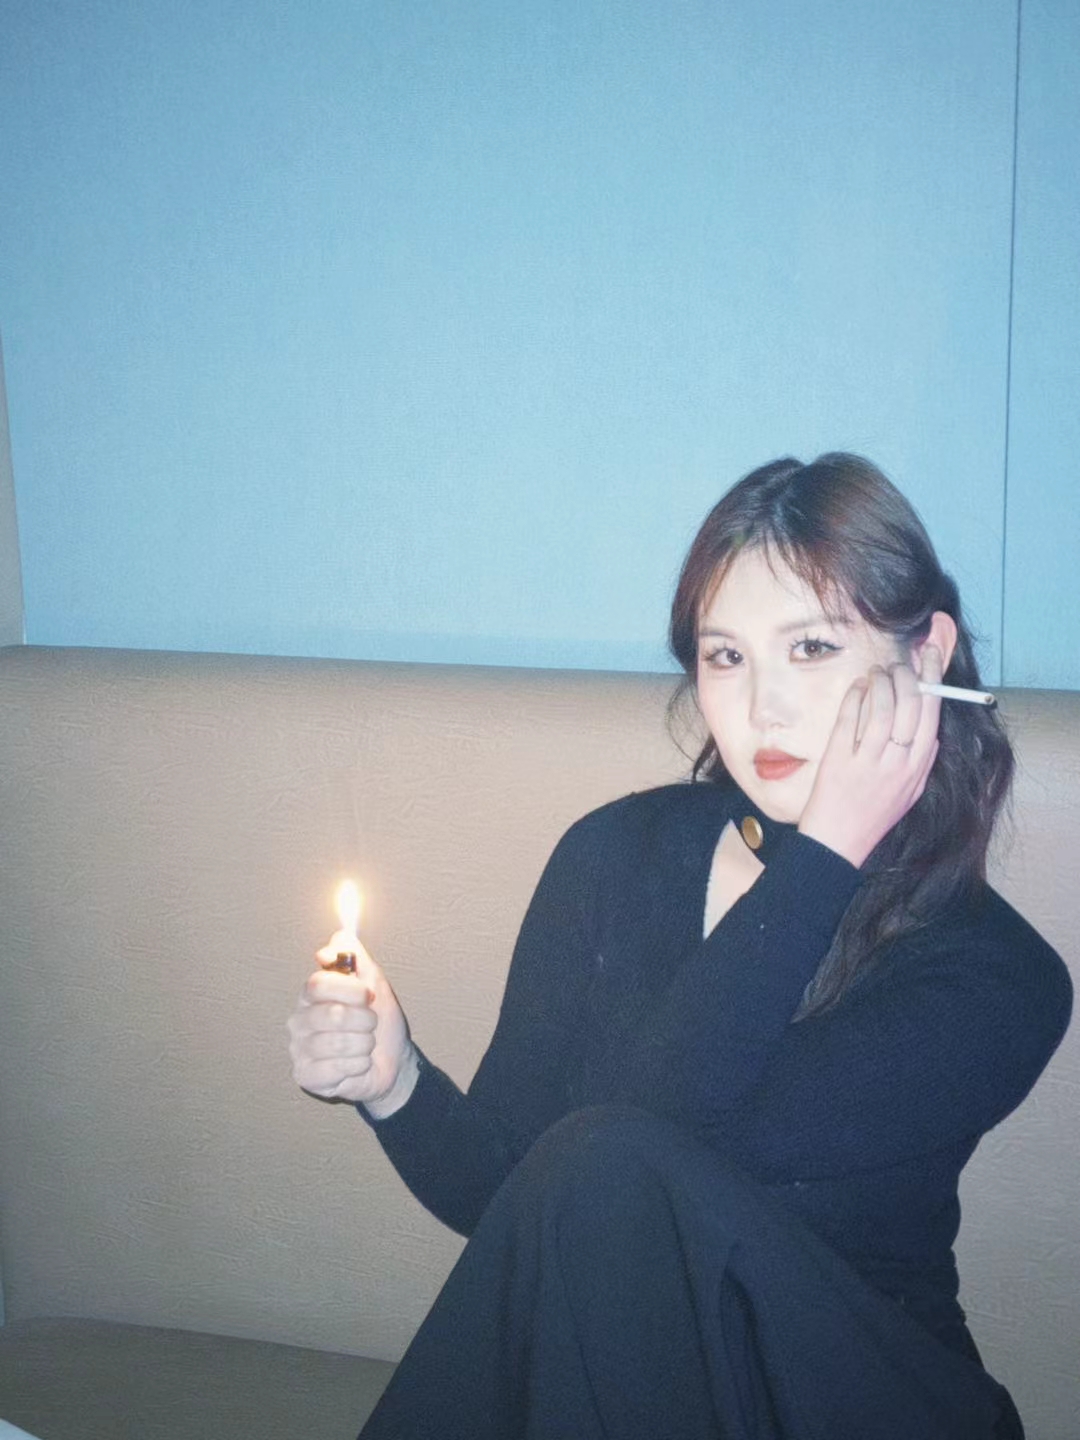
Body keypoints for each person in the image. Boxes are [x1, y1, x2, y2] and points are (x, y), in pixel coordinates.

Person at [288, 453, 1072, 1439]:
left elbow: (655, 1148)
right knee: (590, 1175)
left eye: (812, 648)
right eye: (726, 657)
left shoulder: (1000, 978)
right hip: (644, 1383)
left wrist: (825, 850)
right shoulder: (615, 857)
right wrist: (395, 1083)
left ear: (926, 656)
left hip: (866, 1396)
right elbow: (527, 1206)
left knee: (607, 1160)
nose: (763, 708)